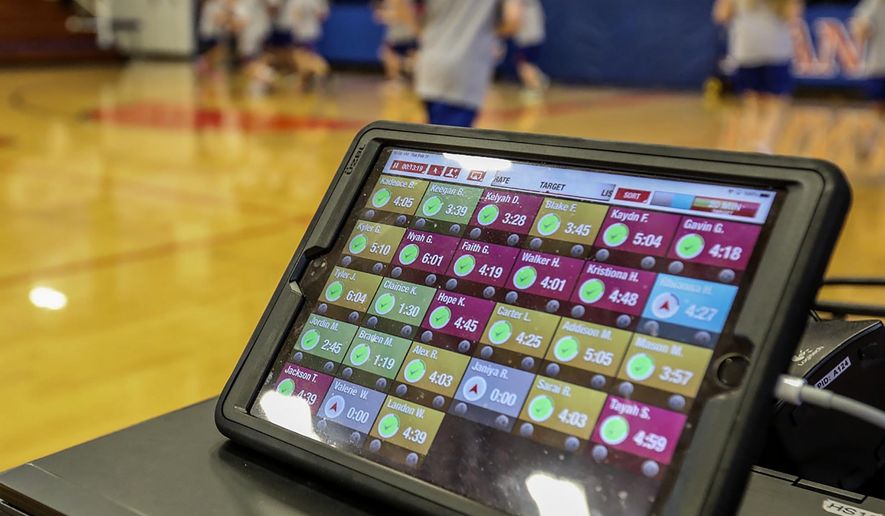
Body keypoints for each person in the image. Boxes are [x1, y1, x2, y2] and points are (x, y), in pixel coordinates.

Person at [406, 0, 522, 127]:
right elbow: (514, 20)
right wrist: (486, 34)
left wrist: (418, 29)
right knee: (448, 142)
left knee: (436, 136)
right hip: (466, 70)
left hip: (430, 65)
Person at [713, 0, 804, 153]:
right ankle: (765, 144)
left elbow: (721, 15)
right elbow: (793, 16)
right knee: (776, 102)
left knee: (752, 101)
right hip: (776, 49)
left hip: (746, 49)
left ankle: (751, 143)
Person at [852, 0, 885, 161]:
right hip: (877, 68)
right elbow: (860, 29)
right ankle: (870, 142)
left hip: (876, 68)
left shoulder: (872, 4)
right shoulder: (873, 4)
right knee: (877, 112)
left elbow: (859, 30)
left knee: (877, 113)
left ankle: (870, 142)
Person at [281, 0, 330, 90]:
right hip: (311, 31)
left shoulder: (296, 2)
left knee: (303, 58)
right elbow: (322, 15)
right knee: (305, 58)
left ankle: (322, 73)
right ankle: (305, 80)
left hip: (302, 33)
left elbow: (293, 17)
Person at [233, 0, 276, 96]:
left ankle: (266, 78)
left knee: (248, 62)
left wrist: (232, 24)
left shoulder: (242, 5)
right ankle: (261, 80)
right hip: (262, 31)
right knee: (257, 59)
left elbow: (243, 21)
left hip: (250, 35)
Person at [374, 0, 419, 85]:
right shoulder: (387, 3)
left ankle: (407, 71)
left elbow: (402, 15)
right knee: (385, 54)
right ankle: (396, 78)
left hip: (407, 35)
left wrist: (384, 15)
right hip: (394, 37)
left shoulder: (403, 3)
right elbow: (379, 16)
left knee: (412, 59)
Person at [513, 0, 548, 100]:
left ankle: (534, 88)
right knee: (528, 62)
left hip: (528, 38)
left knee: (524, 63)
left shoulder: (525, 6)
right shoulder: (533, 6)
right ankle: (540, 80)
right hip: (534, 37)